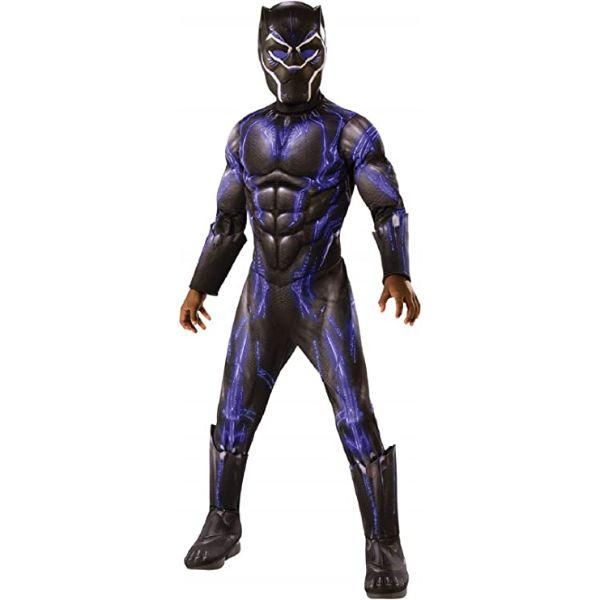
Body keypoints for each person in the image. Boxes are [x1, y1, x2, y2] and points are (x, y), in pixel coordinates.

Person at [179, 3, 420, 597]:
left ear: (324, 49)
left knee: (355, 416)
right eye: (280, 50)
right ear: (259, 52)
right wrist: (199, 284)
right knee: (233, 412)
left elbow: (386, 204)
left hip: (321, 292)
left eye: (306, 49)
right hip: (262, 292)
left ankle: (383, 543)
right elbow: (228, 221)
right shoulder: (244, 134)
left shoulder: (350, 131)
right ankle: (222, 522)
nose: (292, 62)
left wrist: (396, 271)